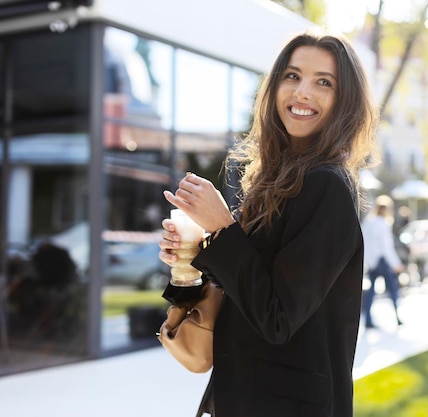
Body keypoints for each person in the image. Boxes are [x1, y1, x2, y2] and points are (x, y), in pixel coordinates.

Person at [158, 30, 377, 417]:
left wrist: (224, 228)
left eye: (323, 82)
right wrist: (187, 263)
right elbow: (243, 290)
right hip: (243, 398)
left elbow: (276, 318)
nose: (302, 92)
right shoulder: (274, 181)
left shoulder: (327, 186)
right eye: (292, 76)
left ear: (345, 101)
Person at [360, 195, 405, 329]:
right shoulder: (383, 224)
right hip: (382, 261)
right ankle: (397, 317)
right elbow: (387, 247)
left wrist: (368, 260)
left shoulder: (368, 223)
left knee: (371, 291)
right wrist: (396, 263)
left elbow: (364, 242)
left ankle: (368, 319)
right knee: (392, 289)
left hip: (372, 261)